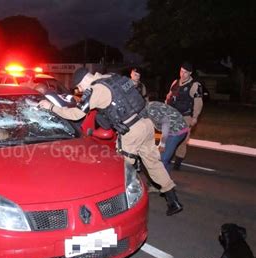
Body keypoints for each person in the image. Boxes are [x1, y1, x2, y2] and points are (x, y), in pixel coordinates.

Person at [38, 67, 184, 216]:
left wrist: (51, 107)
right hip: (146, 123)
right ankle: (173, 201)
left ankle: (123, 208)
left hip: (131, 131)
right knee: (153, 163)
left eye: (80, 86)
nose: (80, 90)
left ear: (84, 80)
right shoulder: (112, 77)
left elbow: (76, 114)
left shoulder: (97, 90)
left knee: (122, 169)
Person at [165, 62, 203, 170]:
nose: (183, 74)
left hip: (185, 116)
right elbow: (169, 96)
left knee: (182, 140)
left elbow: (198, 102)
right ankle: (166, 158)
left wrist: (195, 117)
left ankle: (177, 163)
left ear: (190, 73)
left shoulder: (195, 85)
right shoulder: (175, 82)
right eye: (181, 71)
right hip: (172, 115)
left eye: (185, 72)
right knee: (168, 138)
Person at [143, 101, 189, 173]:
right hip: (171, 129)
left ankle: (162, 182)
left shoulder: (151, 110)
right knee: (158, 155)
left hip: (176, 131)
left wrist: (163, 144)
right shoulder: (149, 106)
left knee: (163, 158)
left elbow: (165, 123)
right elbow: (156, 126)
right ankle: (163, 179)